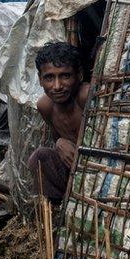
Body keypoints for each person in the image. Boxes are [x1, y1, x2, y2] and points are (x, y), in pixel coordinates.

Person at [28, 42, 90, 204]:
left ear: (80, 75)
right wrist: (60, 142)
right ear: (40, 80)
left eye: (65, 76)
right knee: (39, 157)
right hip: (73, 170)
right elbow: (58, 138)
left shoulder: (85, 97)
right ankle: (58, 207)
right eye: (49, 77)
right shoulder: (45, 106)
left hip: (98, 167)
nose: (57, 86)